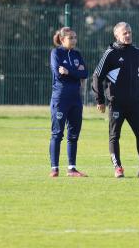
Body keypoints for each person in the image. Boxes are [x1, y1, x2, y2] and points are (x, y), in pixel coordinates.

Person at [92, 22, 139, 179]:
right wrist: (100, 99)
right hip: (116, 103)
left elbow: (138, 74)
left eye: (129, 32)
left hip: (134, 104)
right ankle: (118, 168)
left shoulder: (137, 53)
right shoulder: (110, 53)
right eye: (124, 33)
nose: (128, 35)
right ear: (117, 36)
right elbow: (97, 76)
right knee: (115, 135)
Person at [49, 27, 88, 177]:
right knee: (57, 133)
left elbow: (84, 73)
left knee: (73, 134)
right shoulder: (56, 53)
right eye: (71, 37)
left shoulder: (77, 54)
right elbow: (58, 75)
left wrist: (69, 71)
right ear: (62, 39)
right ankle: (54, 168)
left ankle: (71, 168)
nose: (74, 40)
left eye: (75, 37)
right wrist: (75, 71)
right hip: (60, 98)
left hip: (75, 99)